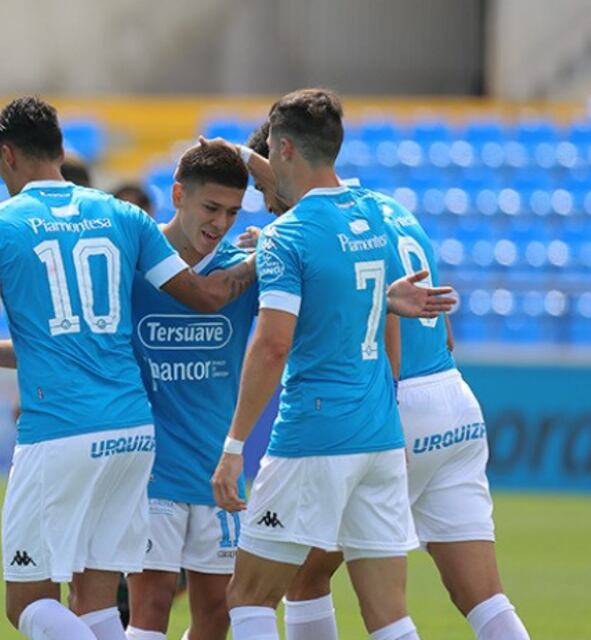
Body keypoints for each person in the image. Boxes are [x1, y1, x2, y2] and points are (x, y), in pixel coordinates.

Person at [0, 96, 257, 640]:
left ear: (7, 155)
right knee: (95, 607)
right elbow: (205, 294)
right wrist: (277, 250)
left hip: (59, 429)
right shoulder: (124, 216)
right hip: (132, 433)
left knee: (25, 603)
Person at [209, 88, 455, 640]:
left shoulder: (285, 237)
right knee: (389, 613)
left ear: (286, 147)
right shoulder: (373, 212)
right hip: (378, 434)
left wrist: (232, 448)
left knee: (248, 596)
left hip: (315, 434)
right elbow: (375, 307)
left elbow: (272, 346)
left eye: (270, 147)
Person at [280, 194, 531, 640]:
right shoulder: (394, 211)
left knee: (304, 578)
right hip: (453, 400)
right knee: (484, 595)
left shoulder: (318, 232)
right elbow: (447, 328)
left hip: (394, 407)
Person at [123, 143, 256, 640]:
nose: (220, 223)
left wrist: (389, 300)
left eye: (232, 212)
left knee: (217, 614)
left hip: (216, 471)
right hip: (150, 469)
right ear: (179, 194)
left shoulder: (249, 265)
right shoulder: (132, 264)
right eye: (211, 208)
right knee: (151, 605)